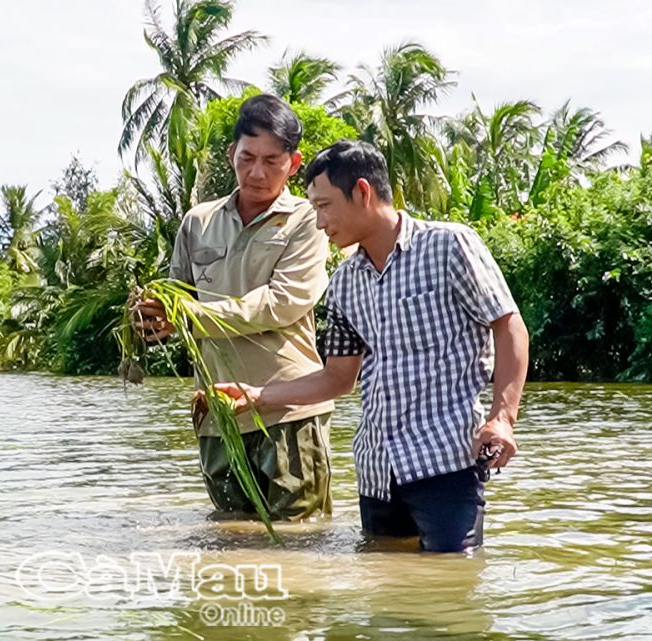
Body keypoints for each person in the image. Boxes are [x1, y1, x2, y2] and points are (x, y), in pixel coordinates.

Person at [211, 140, 530, 552]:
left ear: (362, 192)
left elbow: (509, 325)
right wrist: (259, 397)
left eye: (324, 206)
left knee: (452, 587)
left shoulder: (450, 246)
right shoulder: (344, 284)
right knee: (385, 593)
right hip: (378, 470)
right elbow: (337, 377)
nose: (320, 222)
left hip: (445, 462)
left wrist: (502, 418)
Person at [131, 94, 335, 520]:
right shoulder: (198, 221)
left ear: (294, 164)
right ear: (231, 154)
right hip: (217, 416)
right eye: (247, 157)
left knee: (300, 541)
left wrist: (188, 317)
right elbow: (178, 299)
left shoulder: (307, 220)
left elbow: (281, 304)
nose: (257, 173)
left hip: (287, 412)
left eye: (272, 161)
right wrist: (151, 319)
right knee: (230, 542)